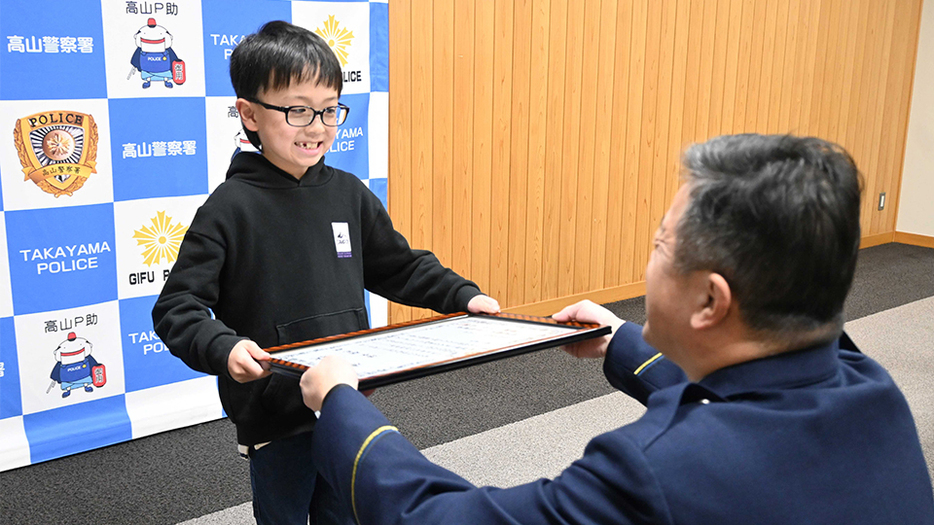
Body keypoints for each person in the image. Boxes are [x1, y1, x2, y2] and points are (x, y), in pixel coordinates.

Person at [299, 134, 934, 524]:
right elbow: (743, 404)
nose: (650, 259)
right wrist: (620, 341)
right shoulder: (867, 384)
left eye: (661, 244)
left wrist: (344, 408)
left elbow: (437, 519)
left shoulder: (655, 471)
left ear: (711, 300)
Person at [151, 21, 499, 525]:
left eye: (329, 108)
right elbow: (176, 307)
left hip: (344, 400)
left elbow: (398, 267)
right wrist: (224, 348)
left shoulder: (349, 193)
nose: (317, 126)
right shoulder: (229, 208)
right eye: (297, 110)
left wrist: (463, 296)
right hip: (274, 414)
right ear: (248, 113)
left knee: (347, 512)